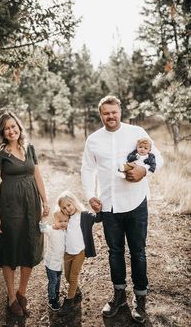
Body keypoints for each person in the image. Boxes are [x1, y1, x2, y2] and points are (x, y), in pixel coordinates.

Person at [81, 95, 163, 324]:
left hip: (136, 203)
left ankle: (140, 299)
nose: (110, 116)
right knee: (115, 252)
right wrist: (90, 195)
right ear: (101, 115)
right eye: (106, 113)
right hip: (109, 206)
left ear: (120, 111)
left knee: (138, 251)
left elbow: (160, 159)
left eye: (114, 112)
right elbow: (87, 170)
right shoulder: (93, 139)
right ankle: (119, 296)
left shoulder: (136, 132)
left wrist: (144, 171)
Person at [0, 111, 50, 317]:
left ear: (19, 127)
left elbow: (37, 175)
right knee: (11, 247)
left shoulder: (29, 148)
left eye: (14, 126)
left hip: (31, 204)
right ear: (2, 132)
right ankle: (11, 297)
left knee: (30, 246)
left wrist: (45, 200)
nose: (11, 130)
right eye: (7, 128)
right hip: (9, 206)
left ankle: (22, 292)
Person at [57, 190, 102, 316]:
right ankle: (75, 290)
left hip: (79, 252)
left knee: (73, 276)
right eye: (64, 208)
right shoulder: (65, 218)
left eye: (69, 205)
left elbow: (98, 219)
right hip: (68, 253)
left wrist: (98, 210)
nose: (68, 209)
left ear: (74, 202)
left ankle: (69, 300)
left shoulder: (84, 215)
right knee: (67, 276)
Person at [39, 210, 69, 311]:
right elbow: (42, 227)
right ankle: (51, 299)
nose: (63, 223)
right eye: (60, 221)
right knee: (53, 281)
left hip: (59, 263)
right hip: (51, 263)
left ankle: (56, 293)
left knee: (58, 280)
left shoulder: (65, 231)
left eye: (66, 221)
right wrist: (43, 218)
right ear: (54, 220)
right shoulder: (51, 230)